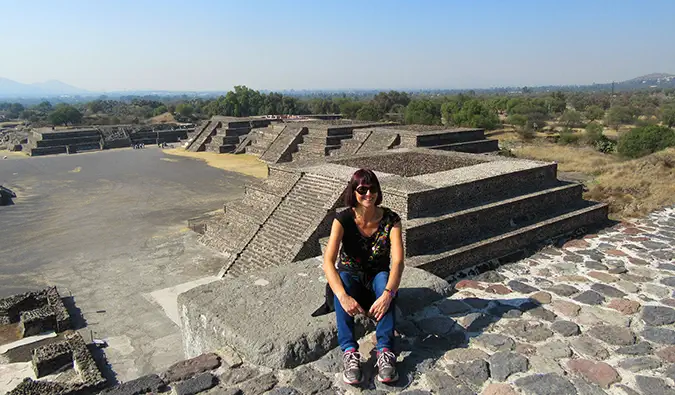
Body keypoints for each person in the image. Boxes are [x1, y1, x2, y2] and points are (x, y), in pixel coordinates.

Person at [322, 168, 404, 385]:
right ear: (353, 192)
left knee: (386, 282)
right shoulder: (342, 220)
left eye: (373, 189)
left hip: (378, 277)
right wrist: (342, 296)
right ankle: (349, 352)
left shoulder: (391, 220)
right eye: (362, 189)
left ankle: (385, 350)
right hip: (351, 278)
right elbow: (328, 262)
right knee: (344, 283)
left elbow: (397, 261)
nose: (369, 194)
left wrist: (388, 294)